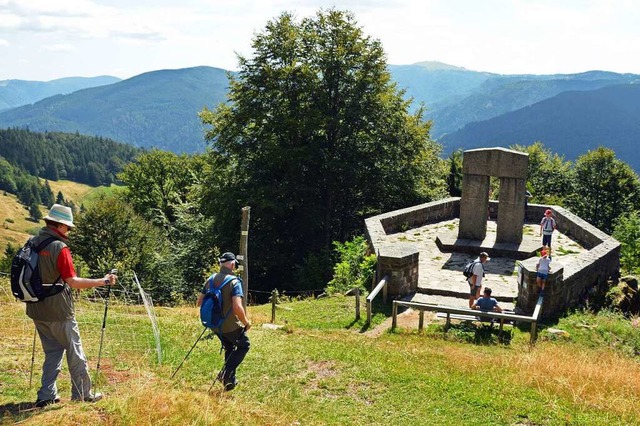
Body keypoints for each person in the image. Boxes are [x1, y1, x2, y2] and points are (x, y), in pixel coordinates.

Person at [26, 204, 117, 408]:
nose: (68, 231)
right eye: (67, 227)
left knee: (52, 351)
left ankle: (46, 394)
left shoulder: (32, 242)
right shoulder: (59, 247)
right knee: (75, 351)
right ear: (59, 225)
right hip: (58, 309)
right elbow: (73, 282)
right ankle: (83, 394)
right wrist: (103, 281)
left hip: (35, 307)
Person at [197, 252, 251, 391]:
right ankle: (225, 374)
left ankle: (229, 382)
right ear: (233, 264)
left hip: (214, 324)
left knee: (229, 347)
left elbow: (199, 302)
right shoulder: (234, 282)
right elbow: (237, 307)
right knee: (244, 345)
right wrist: (246, 322)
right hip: (229, 326)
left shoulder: (211, 279)